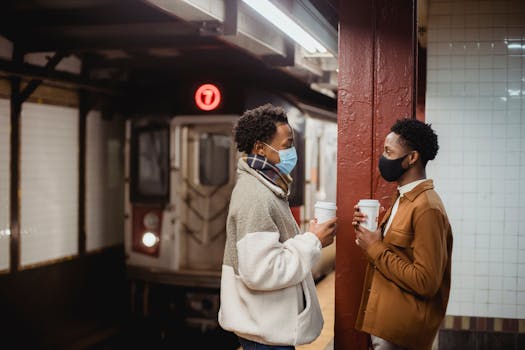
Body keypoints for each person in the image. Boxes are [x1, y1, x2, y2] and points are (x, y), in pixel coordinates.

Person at [218, 103, 338, 350]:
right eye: (287, 145)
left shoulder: (267, 187)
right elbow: (261, 271)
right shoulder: (256, 196)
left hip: (266, 326)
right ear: (260, 148)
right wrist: (313, 240)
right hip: (265, 334)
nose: (292, 152)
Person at [352, 118, 453, 350]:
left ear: (412, 158)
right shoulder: (404, 198)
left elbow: (426, 282)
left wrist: (375, 247)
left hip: (401, 335)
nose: (383, 158)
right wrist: (369, 236)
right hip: (387, 326)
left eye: (389, 151)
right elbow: (395, 253)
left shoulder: (427, 208)